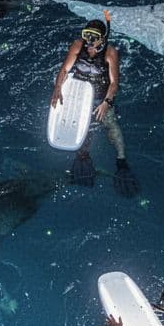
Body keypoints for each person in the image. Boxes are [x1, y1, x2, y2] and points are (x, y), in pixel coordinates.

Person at [50, 17, 138, 196]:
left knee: (109, 122)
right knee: (86, 125)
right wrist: (58, 88)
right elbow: (65, 70)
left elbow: (114, 84)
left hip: (101, 93)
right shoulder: (77, 45)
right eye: (86, 35)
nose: (89, 40)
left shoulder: (110, 53)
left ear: (103, 39)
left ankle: (121, 160)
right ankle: (84, 154)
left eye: (94, 37)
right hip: (81, 90)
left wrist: (106, 102)